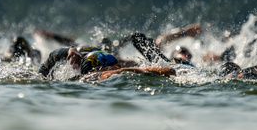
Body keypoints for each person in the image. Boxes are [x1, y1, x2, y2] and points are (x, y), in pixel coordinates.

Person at [38, 45, 176, 81]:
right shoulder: (92, 76)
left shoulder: (86, 75)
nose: (118, 66)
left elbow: (48, 63)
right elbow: (120, 72)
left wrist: (69, 50)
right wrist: (150, 70)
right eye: (114, 65)